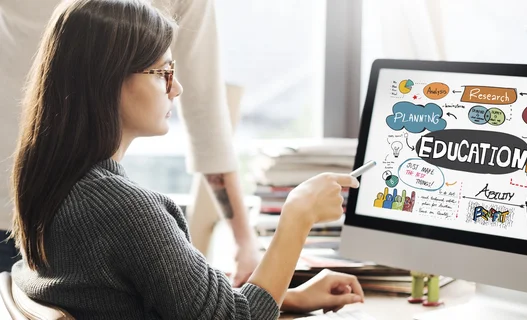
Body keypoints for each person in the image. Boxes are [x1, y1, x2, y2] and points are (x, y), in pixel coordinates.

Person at [9, 0, 365, 318]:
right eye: (162, 73)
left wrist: (286, 297)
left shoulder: (53, 185)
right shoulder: (124, 210)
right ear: (108, 80)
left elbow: (170, 299)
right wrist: (298, 214)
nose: (176, 87)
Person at [0, 0, 261, 285]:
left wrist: (243, 241)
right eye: (162, 73)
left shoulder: (121, 207)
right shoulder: (132, 214)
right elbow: (206, 114)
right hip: (36, 213)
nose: (174, 88)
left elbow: (206, 117)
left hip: (34, 201)